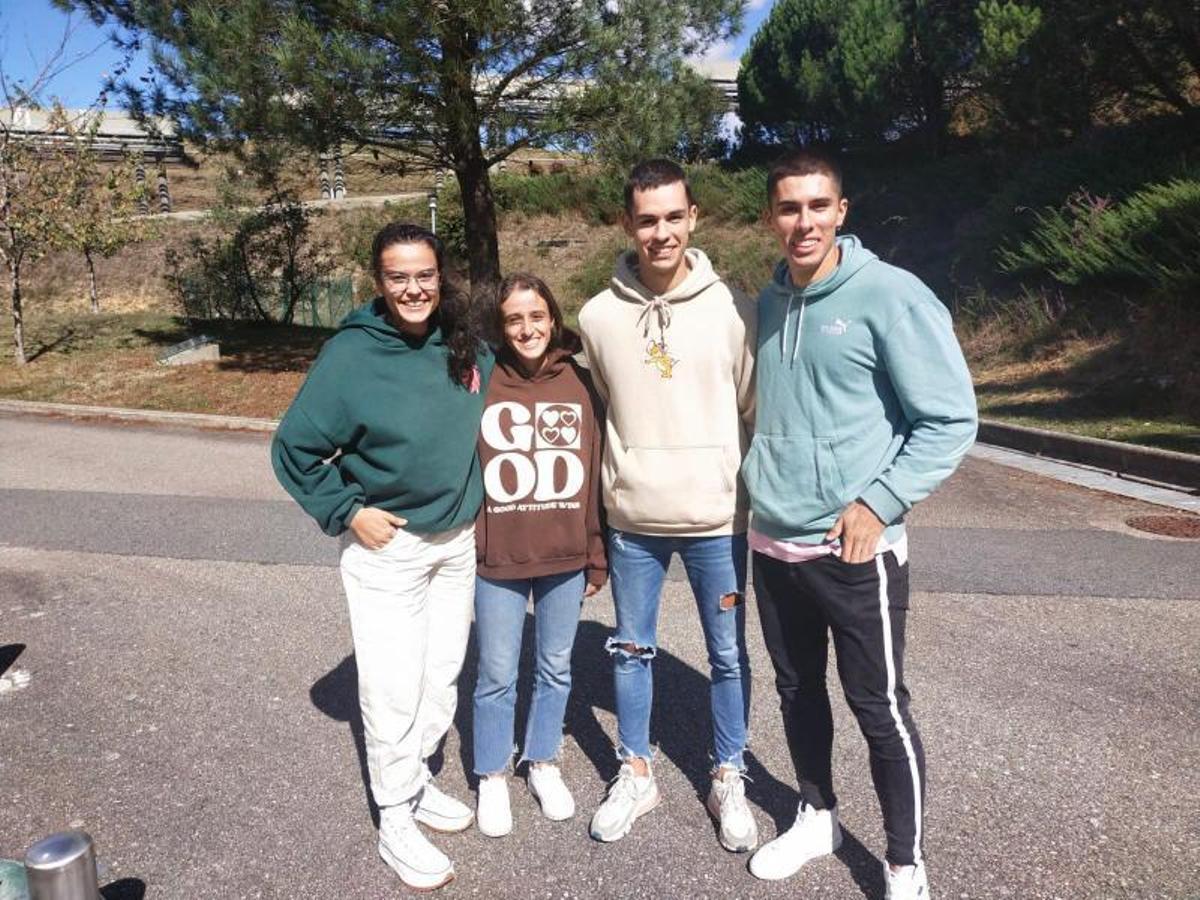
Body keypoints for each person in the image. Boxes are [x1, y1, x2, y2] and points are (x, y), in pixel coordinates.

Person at [743, 148, 977, 900]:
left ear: (841, 211)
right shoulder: (770, 301)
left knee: (878, 708)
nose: (802, 221)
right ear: (770, 217)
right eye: (788, 207)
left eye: (817, 206)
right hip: (773, 541)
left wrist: (879, 503)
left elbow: (948, 419)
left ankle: (905, 862)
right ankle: (817, 815)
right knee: (795, 690)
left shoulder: (890, 295)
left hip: (852, 549)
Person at [271, 223, 492, 891]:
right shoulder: (350, 356)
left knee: (440, 674)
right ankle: (394, 817)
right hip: (389, 548)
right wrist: (348, 511)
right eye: (398, 276)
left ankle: (417, 779)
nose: (413, 287)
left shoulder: (463, 343)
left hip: (455, 542)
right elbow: (294, 449)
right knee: (393, 685)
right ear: (379, 282)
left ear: (441, 275)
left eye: (424, 274)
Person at [578, 159, 758, 852]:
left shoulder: (735, 310)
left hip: (719, 519)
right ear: (628, 224)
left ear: (694, 217)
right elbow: (594, 416)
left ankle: (729, 772)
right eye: (647, 219)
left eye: (673, 217)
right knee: (630, 650)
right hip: (633, 524)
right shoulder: (597, 316)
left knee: (729, 655)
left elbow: (754, 410)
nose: (661, 232)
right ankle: (636, 770)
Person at [471, 273, 607, 837]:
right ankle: (492, 774)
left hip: (565, 556)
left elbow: (596, 472)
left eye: (536, 316)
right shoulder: (478, 381)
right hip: (499, 556)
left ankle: (543, 760)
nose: (527, 328)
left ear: (553, 320)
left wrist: (597, 554)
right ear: (501, 329)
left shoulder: (580, 384)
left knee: (555, 668)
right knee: (497, 673)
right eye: (514, 319)